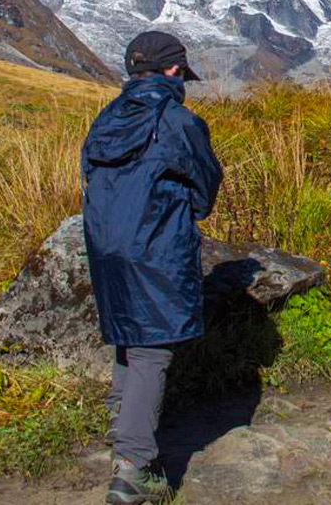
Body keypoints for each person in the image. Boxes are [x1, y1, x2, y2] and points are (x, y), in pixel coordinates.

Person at [82, 31, 223, 505]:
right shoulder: (178, 120)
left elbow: (88, 174)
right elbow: (206, 185)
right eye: (182, 73)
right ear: (172, 71)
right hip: (155, 242)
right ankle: (133, 468)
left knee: (128, 333)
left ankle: (121, 421)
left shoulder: (105, 119)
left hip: (105, 242)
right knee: (153, 348)